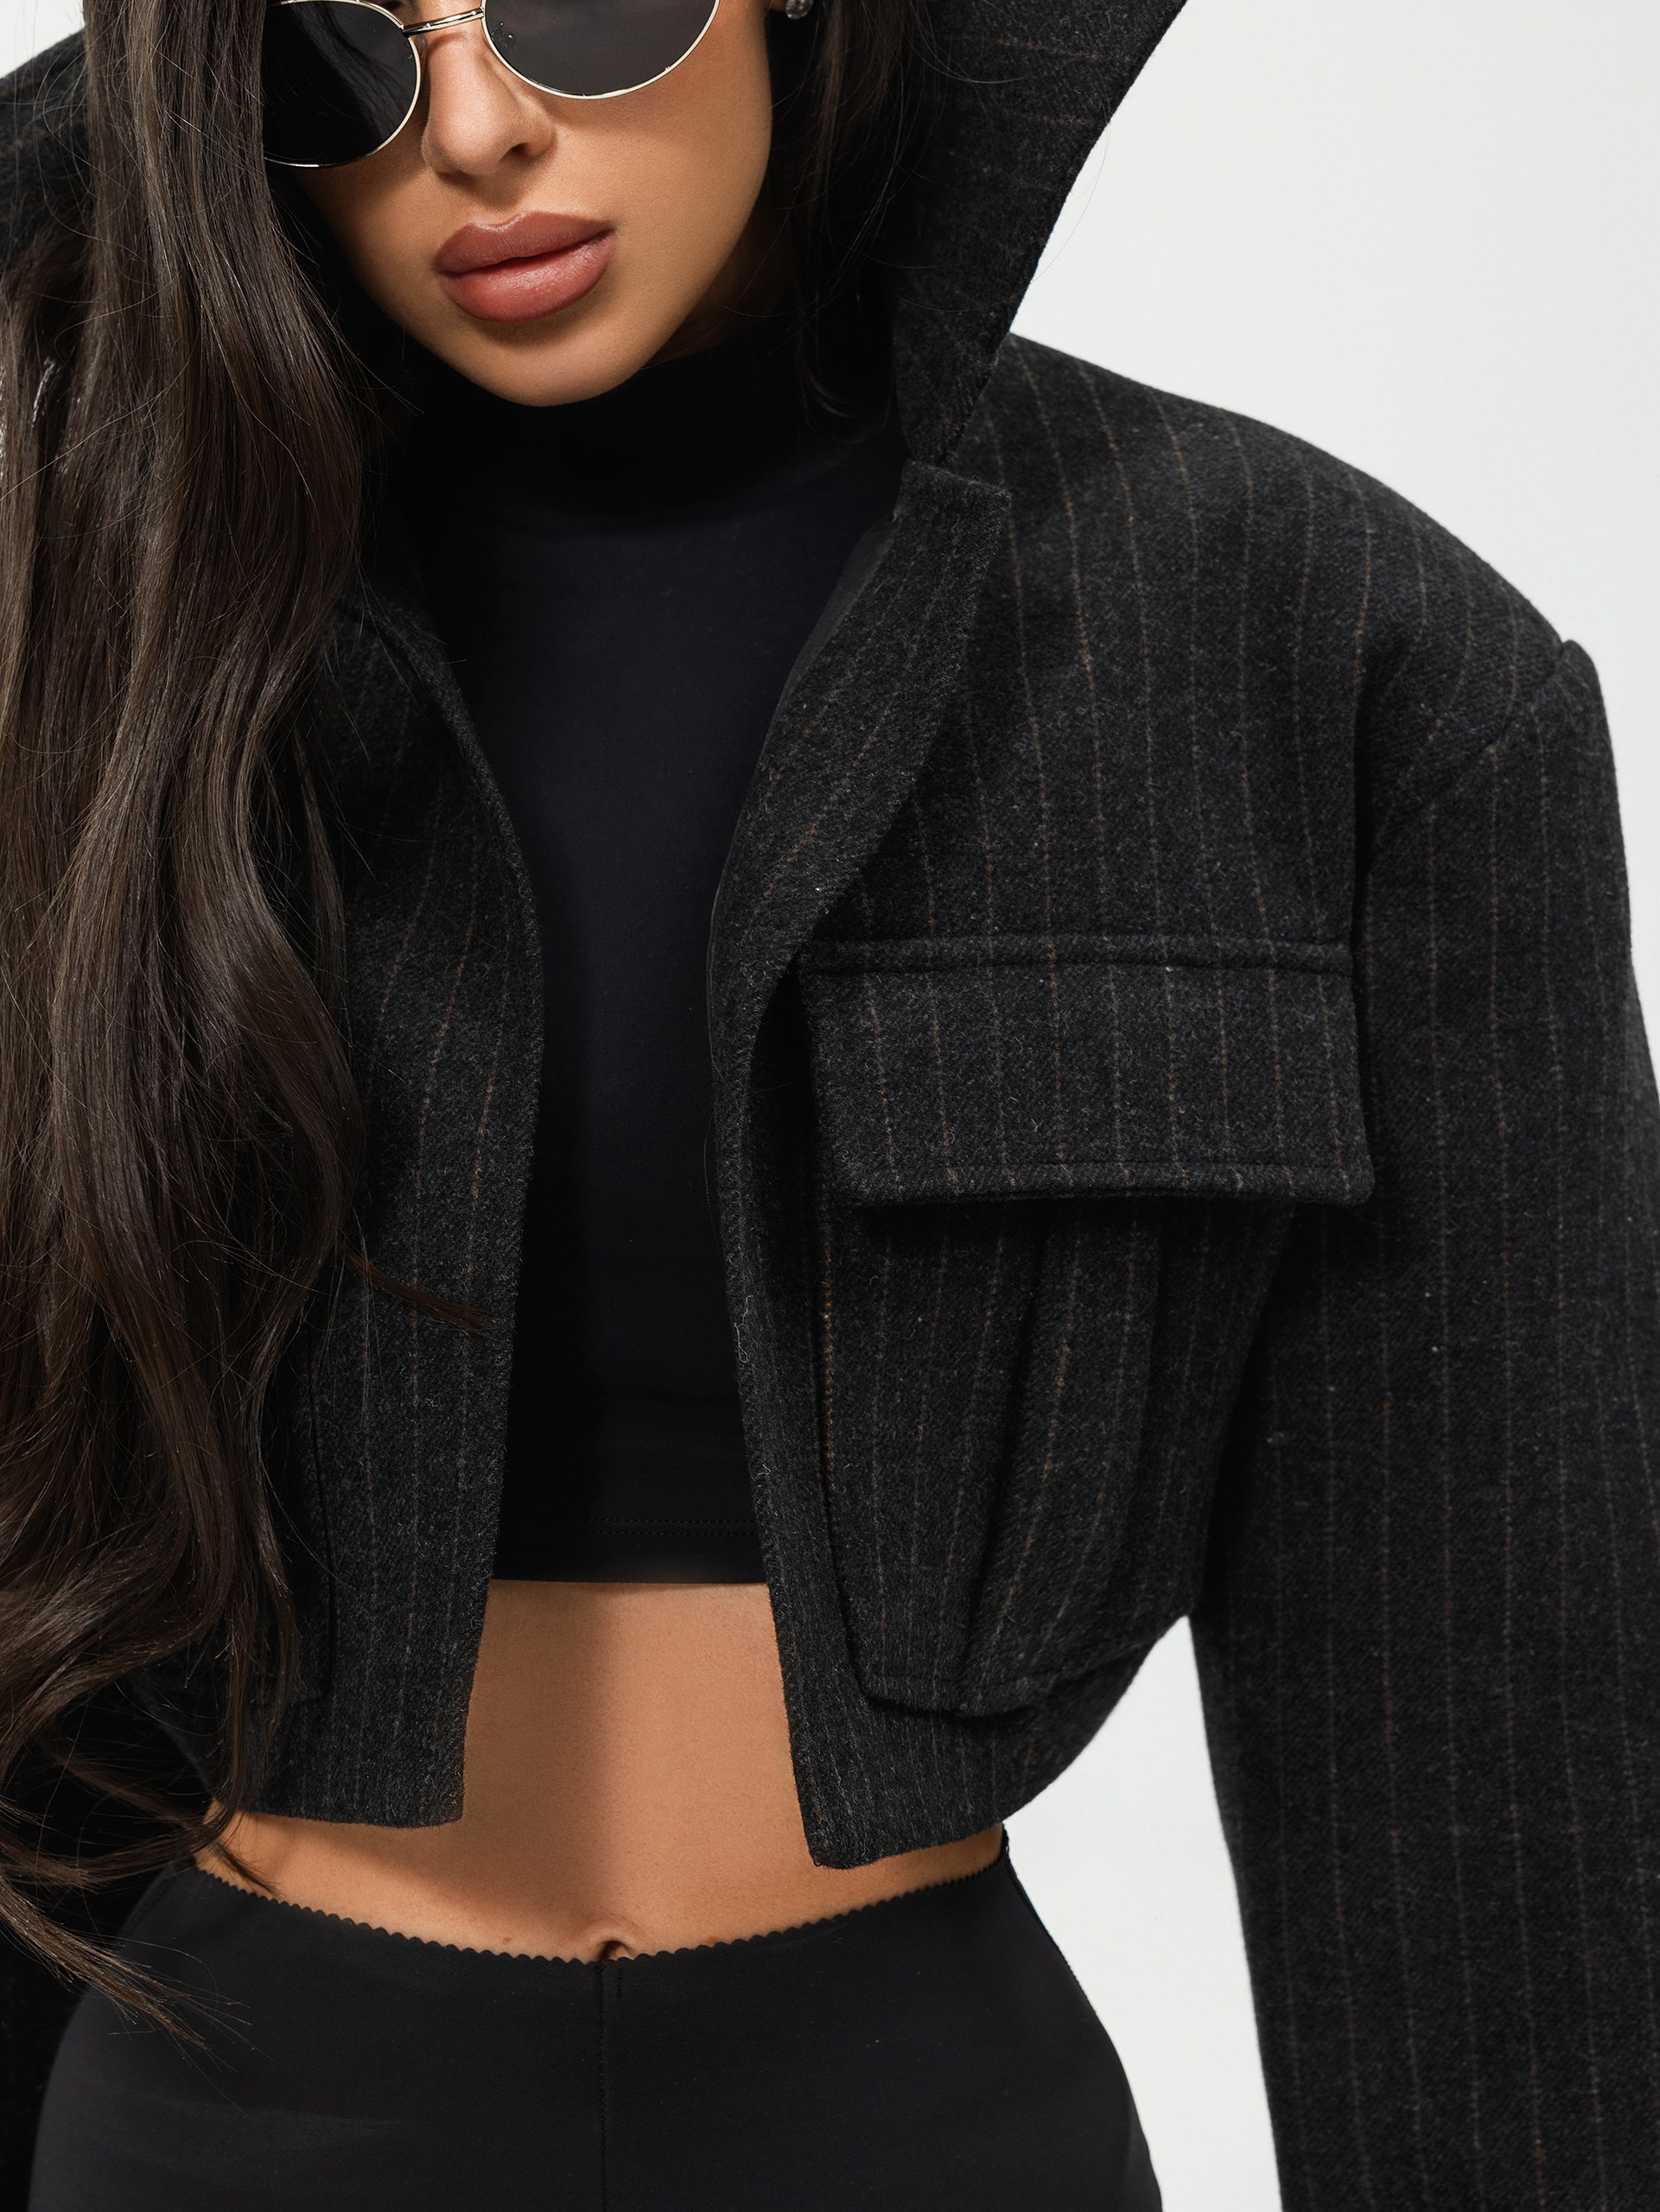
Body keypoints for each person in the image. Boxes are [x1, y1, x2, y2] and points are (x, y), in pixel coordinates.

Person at [0, 0, 1654, 2203]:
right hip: (224, 2115)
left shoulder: (1339, 668)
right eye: (343, 49)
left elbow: (1489, 1746)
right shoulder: (101, 633)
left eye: (575, 4)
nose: (473, 131)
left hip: (918, 2123)